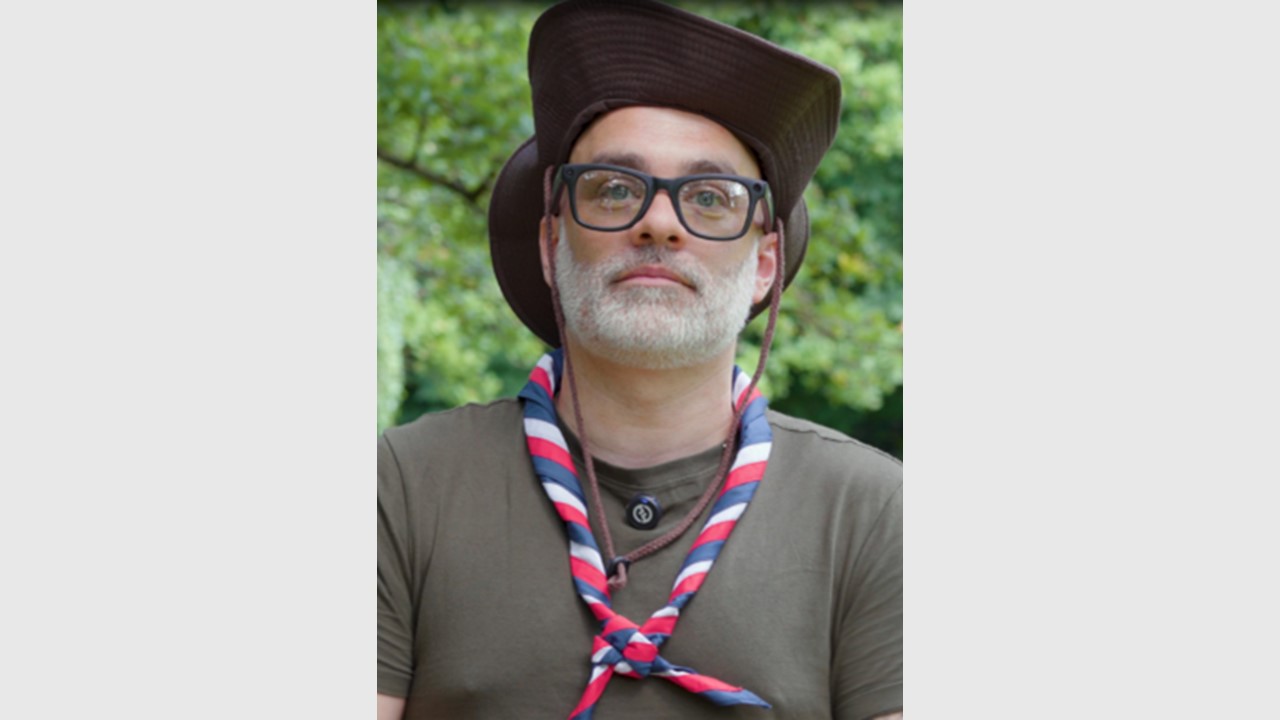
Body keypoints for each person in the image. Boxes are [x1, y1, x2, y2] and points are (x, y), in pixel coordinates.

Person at [377, 1, 902, 718]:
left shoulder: (879, 514)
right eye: (616, 189)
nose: (658, 222)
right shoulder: (398, 489)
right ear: (550, 242)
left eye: (711, 198)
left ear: (764, 264)